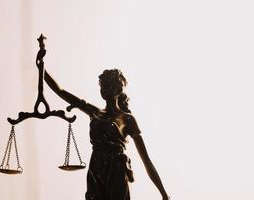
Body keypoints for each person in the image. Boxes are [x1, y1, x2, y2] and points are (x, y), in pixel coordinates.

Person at [43, 68, 169, 200]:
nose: (104, 89)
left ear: (118, 89)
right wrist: (42, 69)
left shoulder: (127, 119)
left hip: (116, 171)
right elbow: (60, 91)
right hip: (96, 168)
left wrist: (163, 193)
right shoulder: (95, 112)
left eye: (108, 85)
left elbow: (146, 160)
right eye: (102, 85)